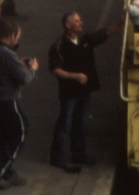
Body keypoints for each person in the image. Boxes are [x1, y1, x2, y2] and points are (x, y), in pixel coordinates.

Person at [48, 12, 123, 171]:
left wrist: (123, 21)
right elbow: (55, 70)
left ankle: (79, 153)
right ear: (68, 25)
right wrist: (74, 76)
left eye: (80, 20)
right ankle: (56, 156)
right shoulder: (59, 46)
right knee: (65, 123)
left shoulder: (85, 38)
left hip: (84, 90)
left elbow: (106, 32)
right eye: (77, 21)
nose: (81, 23)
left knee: (80, 123)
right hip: (69, 92)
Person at [0, 18, 38, 189]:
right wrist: (32, 68)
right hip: (8, 100)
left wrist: (18, 65)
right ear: (12, 35)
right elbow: (24, 78)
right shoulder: (8, 54)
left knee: (2, 137)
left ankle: (9, 172)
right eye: (18, 37)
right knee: (20, 131)